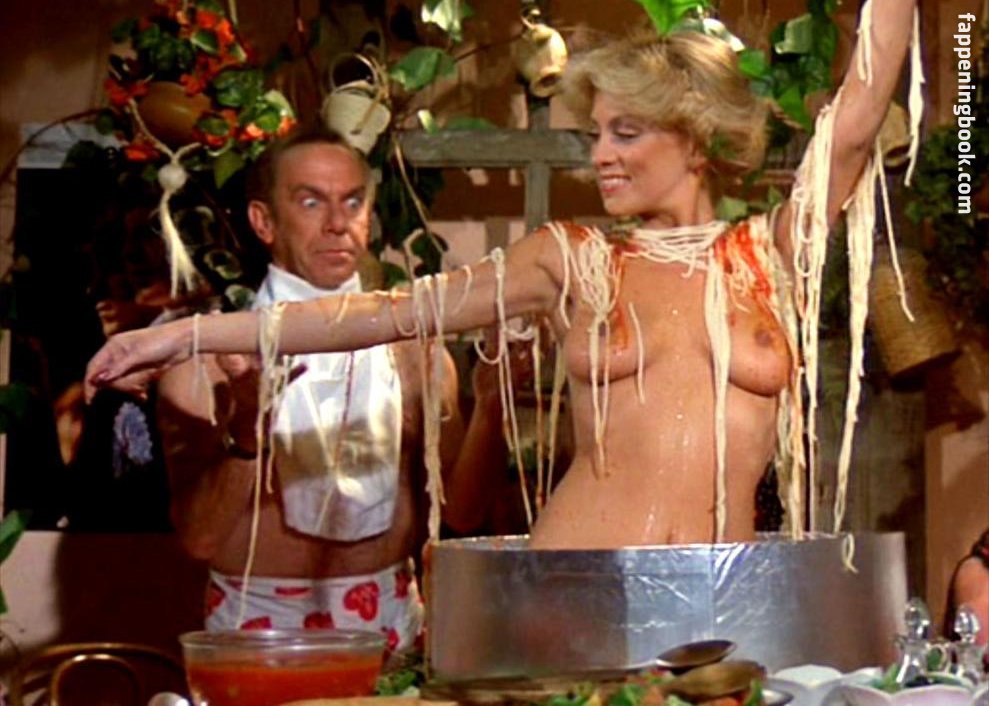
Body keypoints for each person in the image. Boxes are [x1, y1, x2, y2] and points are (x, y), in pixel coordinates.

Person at [85, 0, 917, 551]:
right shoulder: (570, 259)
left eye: (624, 133)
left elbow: (858, 109)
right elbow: (381, 314)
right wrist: (185, 336)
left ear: (694, 138)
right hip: (578, 578)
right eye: (595, 134)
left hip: (721, 593)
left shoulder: (768, 253)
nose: (599, 155)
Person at [149, 126, 507, 647]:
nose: (338, 223)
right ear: (264, 221)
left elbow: (464, 514)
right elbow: (200, 539)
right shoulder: (211, 361)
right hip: (260, 623)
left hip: (389, 617)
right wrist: (248, 433)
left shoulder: (414, 353)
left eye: (352, 202)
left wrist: (493, 400)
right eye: (311, 202)